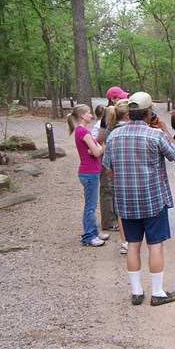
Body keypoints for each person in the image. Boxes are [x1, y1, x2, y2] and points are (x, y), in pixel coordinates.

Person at [103, 92, 175, 306]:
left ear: (129, 113)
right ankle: (157, 292)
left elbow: (108, 169)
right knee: (155, 245)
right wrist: (165, 131)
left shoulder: (114, 136)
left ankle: (136, 292)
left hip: (126, 201)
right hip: (153, 199)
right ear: (149, 113)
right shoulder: (155, 135)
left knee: (133, 245)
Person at [66, 104, 109, 247]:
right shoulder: (83, 132)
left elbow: (96, 148)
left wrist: (97, 148)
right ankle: (89, 235)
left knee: (92, 204)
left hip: (90, 172)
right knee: (90, 206)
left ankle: (94, 231)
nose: (91, 115)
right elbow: (97, 151)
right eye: (89, 113)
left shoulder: (81, 131)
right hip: (89, 172)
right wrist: (98, 148)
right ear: (82, 115)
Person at [96, 86, 129, 232]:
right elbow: (100, 138)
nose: (124, 99)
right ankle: (108, 221)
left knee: (115, 189)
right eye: (121, 97)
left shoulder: (115, 115)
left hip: (115, 157)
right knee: (107, 189)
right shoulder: (108, 116)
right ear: (113, 99)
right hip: (107, 157)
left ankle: (118, 219)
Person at [103, 99, 130, 255]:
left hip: (116, 176)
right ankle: (135, 239)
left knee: (120, 211)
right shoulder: (128, 129)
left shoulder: (109, 131)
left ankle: (125, 241)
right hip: (130, 175)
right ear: (127, 115)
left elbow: (108, 159)